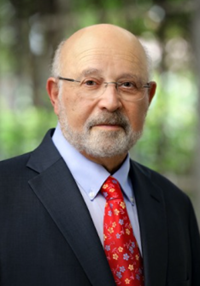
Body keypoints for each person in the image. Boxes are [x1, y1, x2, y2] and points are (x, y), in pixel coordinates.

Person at [0, 24, 199, 286]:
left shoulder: (175, 205)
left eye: (127, 84)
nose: (111, 101)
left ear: (148, 97)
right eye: (91, 82)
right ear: (55, 95)